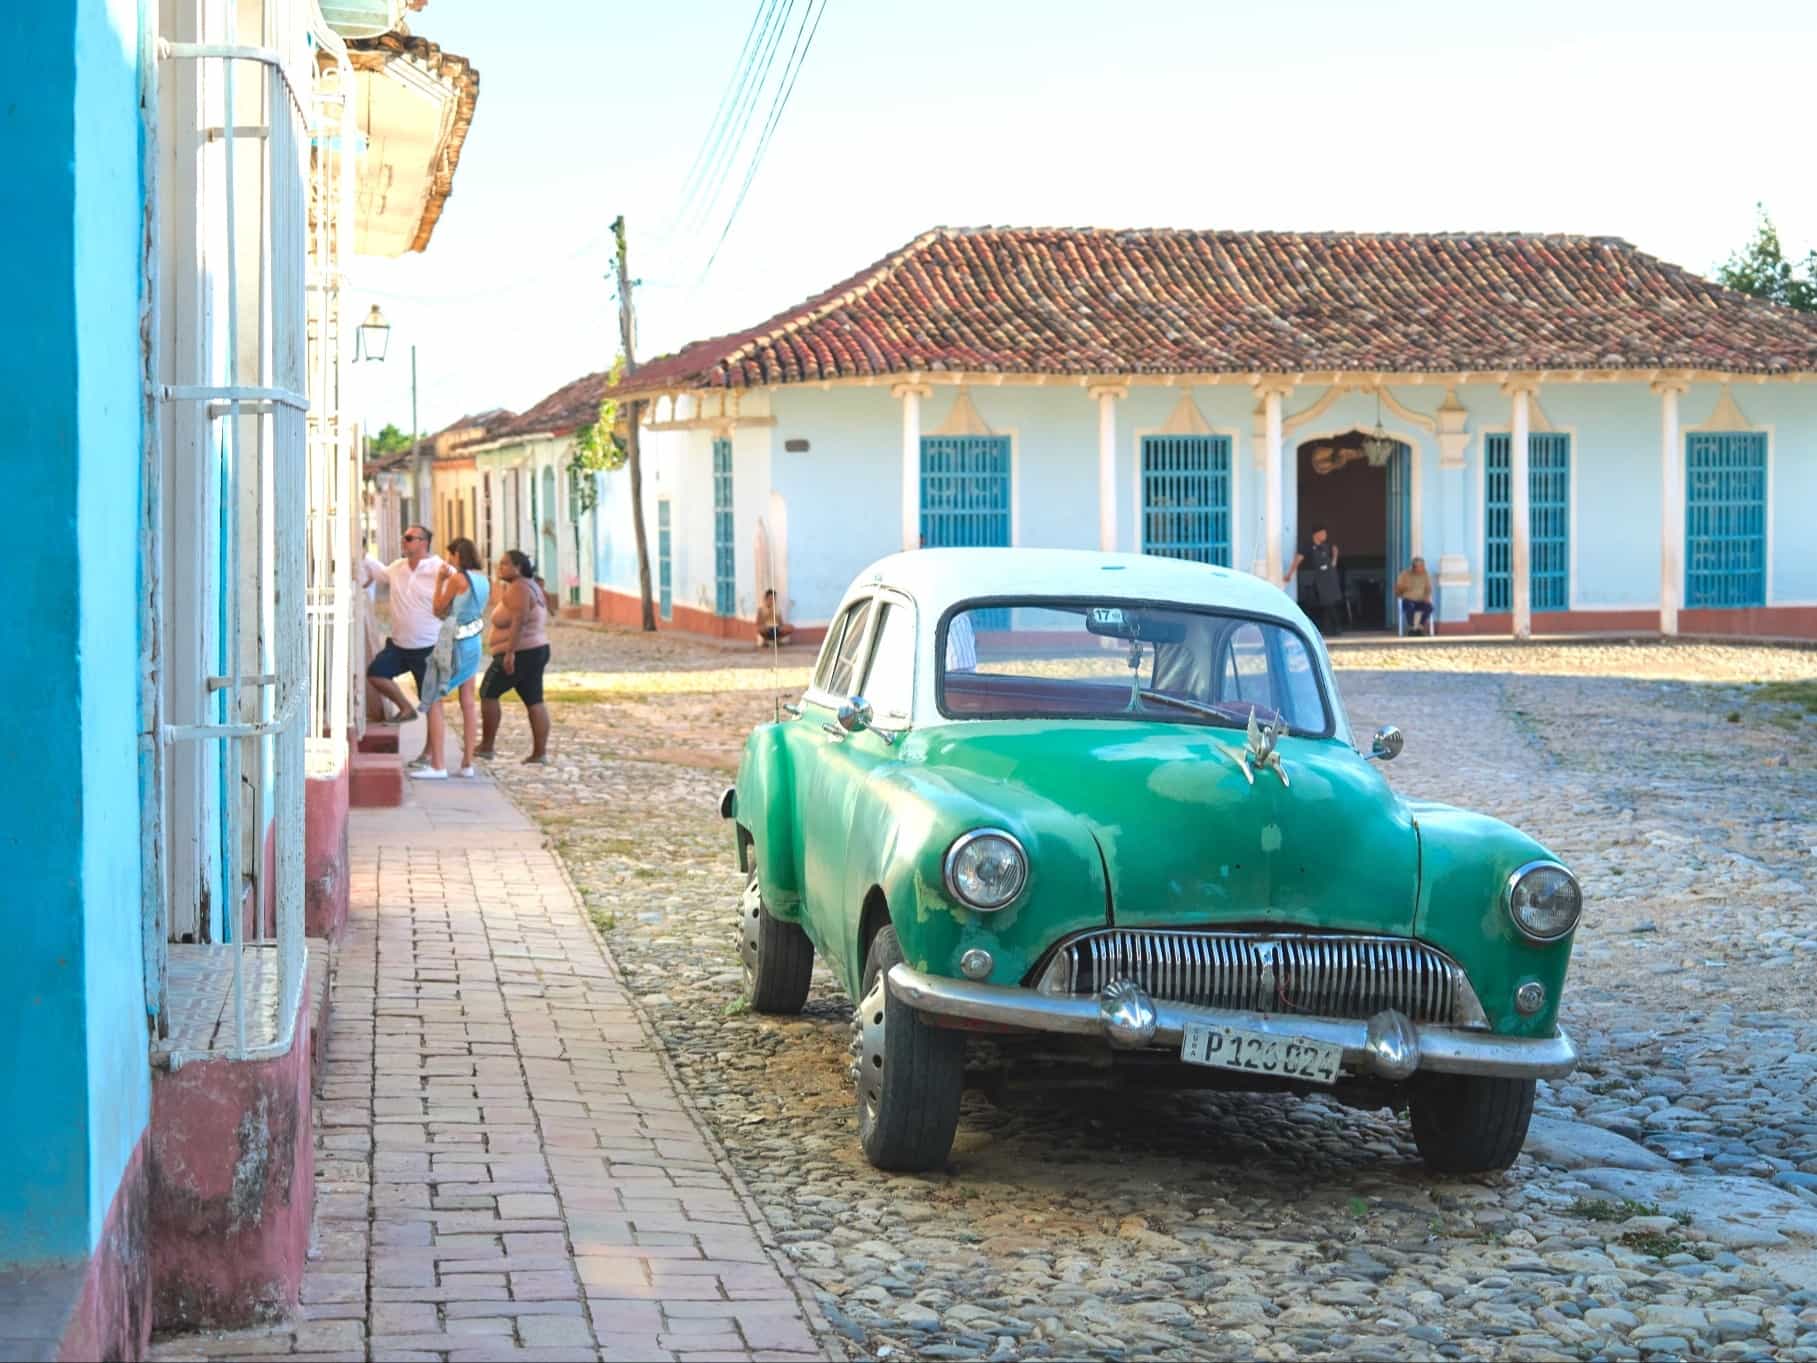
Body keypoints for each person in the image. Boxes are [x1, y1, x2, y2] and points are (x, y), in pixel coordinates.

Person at [410, 537, 490, 780]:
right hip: (474, 640)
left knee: (434, 697)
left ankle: (438, 764)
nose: (447, 560)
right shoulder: (484, 581)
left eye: (450, 556)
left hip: (455, 643)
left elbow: (438, 608)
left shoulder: (457, 579)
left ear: (458, 556)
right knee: (468, 702)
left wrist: (440, 581)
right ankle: (467, 764)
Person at [475, 549, 552, 765]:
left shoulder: (519, 588)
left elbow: (520, 621)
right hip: (535, 649)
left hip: (521, 652)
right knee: (533, 699)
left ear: (518, 567)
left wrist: (509, 654)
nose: (500, 568)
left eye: (504, 564)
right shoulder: (530, 585)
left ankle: (487, 746)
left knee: (488, 692)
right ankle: (539, 753)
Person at [361, 525, 444, 722]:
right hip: (399, 646)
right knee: (376, 673)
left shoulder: (438, 568)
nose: (402, 541)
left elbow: (460, 588)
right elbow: (378, 573)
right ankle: (406, 708)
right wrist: (361, 553)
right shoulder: (398, 567)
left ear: (423, 542)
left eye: (408, 538)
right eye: (403, 537)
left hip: (428, 648)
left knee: (431, 703)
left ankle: (430, 751)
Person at [1285, 527, 1344, 636]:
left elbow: (1333, 565)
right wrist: (1289, 574)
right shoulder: (1307, 547)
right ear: (1316, 534)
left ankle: (1332, 629)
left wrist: (1335, 554)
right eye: (1323, 534)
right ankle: (1324, 628)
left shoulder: (1327, 546)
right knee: (1320, 604)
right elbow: (1297, 560)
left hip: (1330, 578)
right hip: (1316, 580)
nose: (1325, 536)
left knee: (1331, 603)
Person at [1395, 556, 1435, 636]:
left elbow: (1428, 588)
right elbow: (1397, 590)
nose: (1423, 569)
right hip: (1408, 599)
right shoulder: (1405, 574)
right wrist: (1403, 588)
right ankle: (1412, 628)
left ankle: (1419, 627)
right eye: (1420, 567)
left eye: (1423, 566)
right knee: (1410, 606)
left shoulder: (1425, 575)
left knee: (1429, 607)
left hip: (1421, 600)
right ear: (1414, 567)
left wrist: (1427, 597)